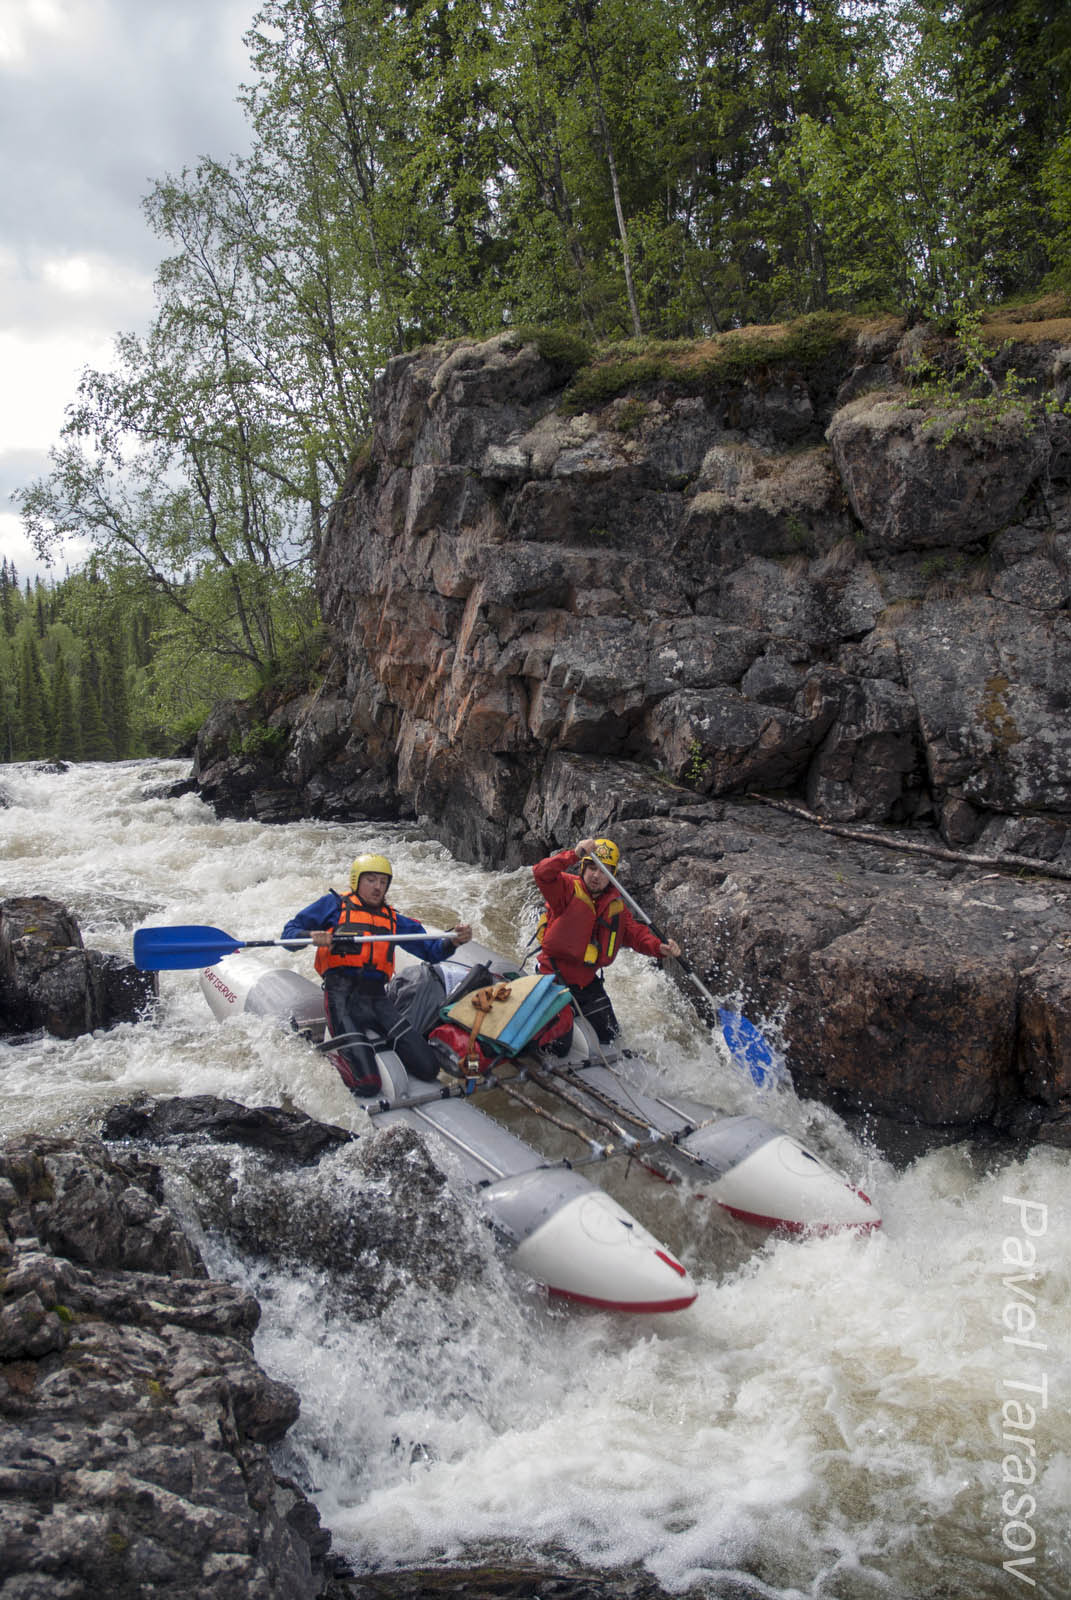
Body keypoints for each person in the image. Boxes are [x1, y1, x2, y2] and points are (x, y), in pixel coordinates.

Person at [282, 852, 472, 1097]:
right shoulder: (333, 905)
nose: (377, 887)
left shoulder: (393, 919)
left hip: (377, 999)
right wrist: (309, 936)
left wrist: (453, 941)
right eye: (371, 880)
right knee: (368, 1083)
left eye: (383, 882)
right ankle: (329, 1057)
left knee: (428, 1068)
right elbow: (289, 934)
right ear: (356, 881)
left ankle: (367, 1048)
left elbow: (430, 951)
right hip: (341, 997)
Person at [532, 836, 681, 1047]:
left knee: (611, 1037)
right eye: (592, 868)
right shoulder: (565, 889)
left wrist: (659, 947)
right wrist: (573, 855)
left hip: (586, 983)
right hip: (552, 978)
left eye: (604, 871)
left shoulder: (616, 905)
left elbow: (636, 935)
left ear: (612, 876)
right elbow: (541, 872)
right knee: (559, 1046)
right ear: (583, 868)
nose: (597, 875)